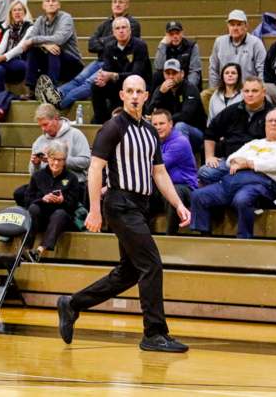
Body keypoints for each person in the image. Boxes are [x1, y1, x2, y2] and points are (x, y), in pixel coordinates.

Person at [57, 76, 191, 353]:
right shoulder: (113, 127)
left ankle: (72, 304)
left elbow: (159, 173)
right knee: (152, 264)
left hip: (140, 206)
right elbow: (95, 169)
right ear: (121, 95)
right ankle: (154, 333)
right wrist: (95, 210)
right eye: (129, 91)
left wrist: (178, 204)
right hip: (119, 204)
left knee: (129, 272)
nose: (133, 96)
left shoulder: (150, 131)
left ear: (145, 96)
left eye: (138, 92)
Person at [42, 0, 141, 110]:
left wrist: (102, 41)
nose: (117, 4)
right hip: (99, 60)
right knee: (77, 79)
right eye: (114, 1)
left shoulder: (132, 24)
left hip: (115, 64)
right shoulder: (105, 24)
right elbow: (91, 45)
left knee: (89, 82)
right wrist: (108, 41)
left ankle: (60, 103)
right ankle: (55, 94)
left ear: (127, 5)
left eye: (121, 2)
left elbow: (118, 46)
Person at [191, 108, 276, 238]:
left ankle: (244, 238)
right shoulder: (254, 143)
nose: (273, 124)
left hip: (260, 184)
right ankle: (204, 235)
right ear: (265, 124)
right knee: (199, 195)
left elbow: (274, 164)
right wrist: (235, 161)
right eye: (270, 121)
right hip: (231, 181)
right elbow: (232, 158)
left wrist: (249, 163)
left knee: (242, 199)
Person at [13, 102, 91, 207]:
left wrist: (60, 160)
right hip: (45, 184)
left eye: (45, 124)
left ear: (56, 118)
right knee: (20, 193)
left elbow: (85, 162)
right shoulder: (39, 141)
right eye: (40, 126)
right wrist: (36, 164)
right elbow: (33, 175)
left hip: (70, 183)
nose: (43, 129)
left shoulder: (75, 134)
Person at [200, 77, 272, 184]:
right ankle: (232, 182)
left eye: (255, 91)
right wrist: (209, 157)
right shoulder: (232, 110)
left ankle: (230, 182)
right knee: (205, 172)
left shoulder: (272, 115)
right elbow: (211, 132)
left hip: (255, 165)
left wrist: (250, 163)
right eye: (246, 91)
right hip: (229, 161)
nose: (250, 94)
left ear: (263, 92)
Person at [25, 140, 81, 262]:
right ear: (48, 158)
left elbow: (74, 204)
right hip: (41, 215)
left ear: (64, 160)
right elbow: (28, 199)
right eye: (53, 158)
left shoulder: (72, 178)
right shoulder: (37, 176)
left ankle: (39, 250)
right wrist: (42, 199)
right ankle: (26, 249)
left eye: (60, 159)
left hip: (61, 218)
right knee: (33, 208)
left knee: (59, 214)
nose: (56, 163)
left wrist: (62, 200)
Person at [90, 17, 152, 123]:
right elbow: (107, 70)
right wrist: (103, 79)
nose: (121, 31)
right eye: (117, 28)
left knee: (133, 83)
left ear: (130, 30)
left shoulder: (140, 46)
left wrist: (114, 75)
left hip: (137, 85)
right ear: (113, 32)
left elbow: (136, 74)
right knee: (96, 85)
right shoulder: (109, 47)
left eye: (124, 27)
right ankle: (101, 120)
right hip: (118, 86)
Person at [203, 9, 266, 108]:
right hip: (225, 88)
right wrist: (216, 91)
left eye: (239, 24)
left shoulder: (256, 43)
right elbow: (213, 69)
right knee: (205, 96)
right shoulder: (219, 42)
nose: (235, 28)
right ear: (228, 26)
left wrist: (257, 89)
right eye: (232, 25)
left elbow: (262, 70)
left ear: (246, 26)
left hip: (247, 88)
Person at [26, 0, 83, 97]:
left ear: (59, 5)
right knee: (33, 50)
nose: (51, 3)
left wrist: (37, 41)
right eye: (47, 1)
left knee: (54, 49)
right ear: (43, 5)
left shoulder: (66, 18)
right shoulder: (40, 20)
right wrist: (45, 45)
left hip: (72, 64)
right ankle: (32, 89)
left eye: (54, 1)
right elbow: (29, 39)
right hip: (52, 64)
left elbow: (59, 39)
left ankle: (52, 91)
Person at [150, 110, 197, 235]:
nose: (158, 127)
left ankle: (170, 237)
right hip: (162, 185)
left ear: (171, 124)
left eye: (162, 123)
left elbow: (155, 167)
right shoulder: (153, 141)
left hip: (185, 188)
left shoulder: (180, 142)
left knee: (172, 192)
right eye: (155, 124)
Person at [144, 59, 206, 151]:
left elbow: (186, 115)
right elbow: (149, 112)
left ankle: (182, 160)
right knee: (148, 124)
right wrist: (160, 93)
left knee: (180, 126)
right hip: (168, 128)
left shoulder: (190, 89)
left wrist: (165, 121)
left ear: (182, 74)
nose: (171, 77)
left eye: (174, 73)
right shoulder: (161, 89)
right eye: (168, 73)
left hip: (195, 132)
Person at [0, 0, 32, 95]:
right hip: (8, 64)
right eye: (14, 10)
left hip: (23, 63)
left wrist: (3, 57)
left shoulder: (30, 28)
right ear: (11, 14)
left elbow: (20, 48)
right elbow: (1, 48)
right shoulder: (9, 30)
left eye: (20, 10)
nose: (17, 12)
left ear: (24, 12)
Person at [152, 21, 202, 90]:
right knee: (156, 75)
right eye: (171, 34)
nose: (175, 36)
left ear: (182, 33)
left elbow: (194, 70)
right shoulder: (164, 46)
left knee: (196, 74)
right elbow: (159, 67)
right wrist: (162, 45)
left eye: (177, 33)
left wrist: (188, 88)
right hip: (168, 81)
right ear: (166, 35)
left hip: (186, 81)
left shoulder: (192, 46)